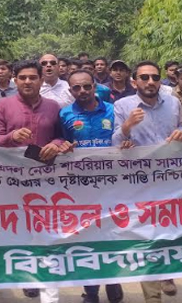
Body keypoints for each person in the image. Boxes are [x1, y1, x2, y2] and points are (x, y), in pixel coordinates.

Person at [0, 60, 68, 302]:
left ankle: (49, 294)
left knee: (47, 234)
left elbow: (61, 137)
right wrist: (12, 136)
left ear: (41, 80)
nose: (27, 81)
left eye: (33, 77)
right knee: (19, 233)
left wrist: (55, 145)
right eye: (22, 77)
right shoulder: (3, 105)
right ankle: (28, 277)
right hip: (11, 182)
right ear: (15, 80)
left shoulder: (53, 107)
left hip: (46, 181)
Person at [112, 61, 182, 302]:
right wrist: (127, 127)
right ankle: (152, 295)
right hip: (139, 180)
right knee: (146, 233)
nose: (150, 82)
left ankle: (167, 273)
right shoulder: (123, 105)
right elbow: (115, 142)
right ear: (134, 82)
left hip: (170, 177)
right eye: (144, 78)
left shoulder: (174, 103)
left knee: (169, 229)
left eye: (154, 77)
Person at [60, 69, 123, 303]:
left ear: (95, 87)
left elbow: (123, 139)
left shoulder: (113, 111)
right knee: (85, 239)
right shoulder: (65, 114)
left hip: (113, 184)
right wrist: (63, 146)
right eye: (76, 87)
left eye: (87, 86)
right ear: (70, 91)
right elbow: (62, 142)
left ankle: (114, 281)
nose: (82, 91)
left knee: (112, 236)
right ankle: (91, 290)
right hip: (80, 188)